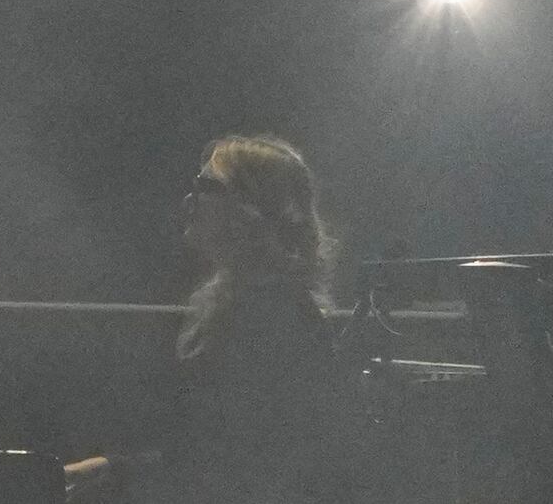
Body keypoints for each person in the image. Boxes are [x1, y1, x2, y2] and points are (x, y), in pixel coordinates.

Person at [58, 134, 361, 499]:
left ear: (250, 209)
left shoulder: (274, 321)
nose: (189, 200)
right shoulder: (229, 303)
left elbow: (242, 467)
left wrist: (126, 478)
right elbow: (201, 450)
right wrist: (114, 470)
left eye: (205, 187)